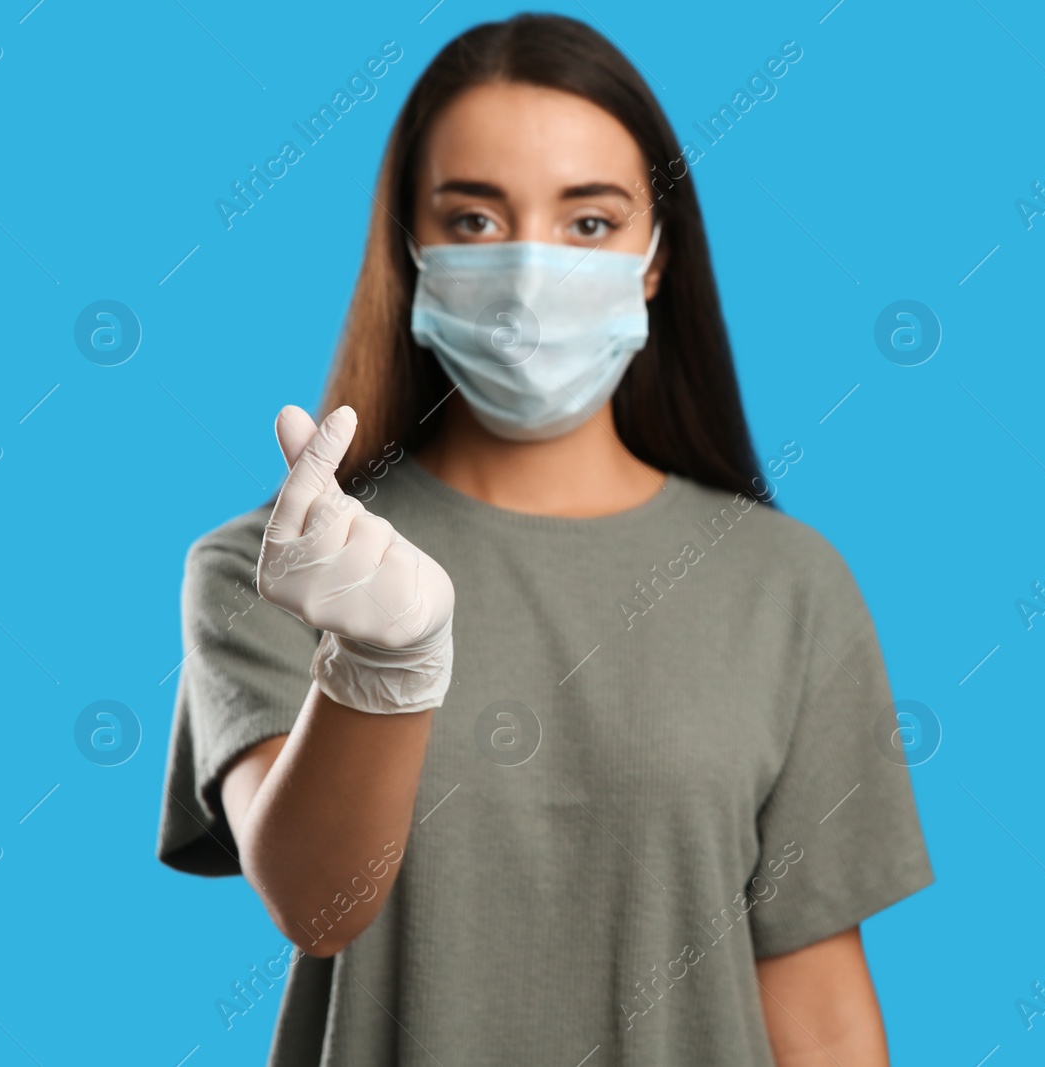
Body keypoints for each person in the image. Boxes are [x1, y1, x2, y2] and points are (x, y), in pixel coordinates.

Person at [156, 13, 933, 1065]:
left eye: (589, 222)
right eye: (474, 220)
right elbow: (317, 904)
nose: (529, 275)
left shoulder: (785, 585)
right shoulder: (285, 569)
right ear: (409, 250)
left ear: (655, 258)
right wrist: (376, 666)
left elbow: (819, 1007)